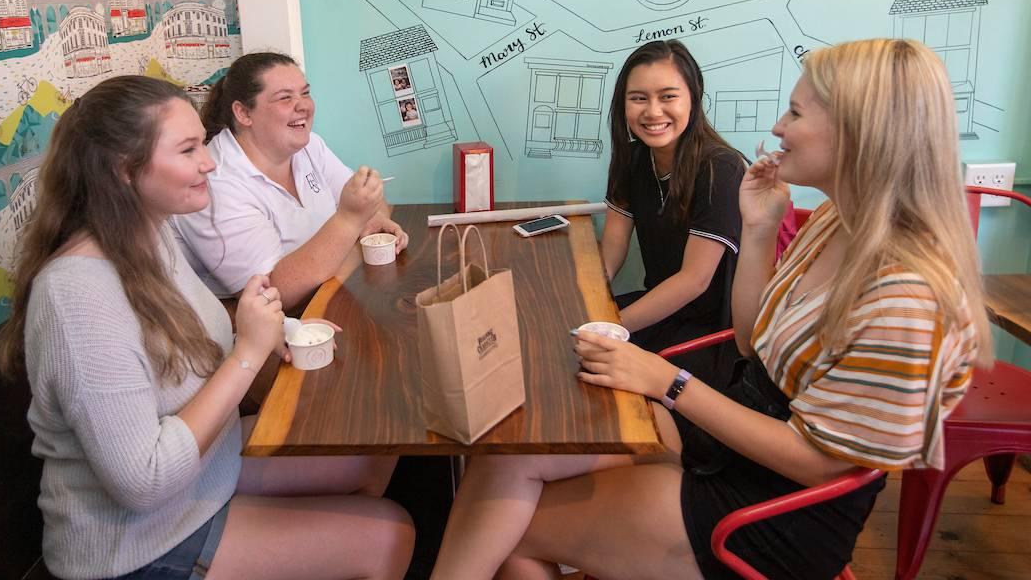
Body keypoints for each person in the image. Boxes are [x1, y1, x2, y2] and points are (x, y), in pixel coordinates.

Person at [428, 38, 989, 580]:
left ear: (860, 133)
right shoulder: (837, 227)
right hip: (725, 442)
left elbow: (818, 463)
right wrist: (762, 228)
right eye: (638, 98)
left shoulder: (906, 296)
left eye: (794, 112)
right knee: (503, 463)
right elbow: (751, 343)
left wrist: (668, 382)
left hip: (773, 510)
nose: (777, 128)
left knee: (506, 529)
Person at [0, 76, 413, 580]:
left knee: (376, 451)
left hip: (208, 469)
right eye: (189, 149)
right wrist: (247, 353)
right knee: (390, 534)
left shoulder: (152, 238)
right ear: (124, 170)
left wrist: (266, 331)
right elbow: (143, 482)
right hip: (139, 542)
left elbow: (195, 352)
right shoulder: (75, 297)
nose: (209, 161)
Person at [172, 52, 408, 308]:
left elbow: (366, 203)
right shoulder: (216, 184)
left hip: (330, 297)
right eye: (285, 97)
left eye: (305, 93)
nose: (304, 106)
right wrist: (351, 220)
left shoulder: (308, 146)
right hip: (273, 329)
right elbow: (272, 293)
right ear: (243, 113)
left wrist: (374, 220)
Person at [601, 39, 745, 380]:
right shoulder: (634, 158)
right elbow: (613, 245)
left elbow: (694, 280)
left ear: (693, 98)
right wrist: (589, 299)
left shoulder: (720, 168)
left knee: (601, 367)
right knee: (567, 338)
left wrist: (613, 327)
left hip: (712, 334)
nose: (652, 112)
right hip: (662, 311)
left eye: (668, 96)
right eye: (638, 98)